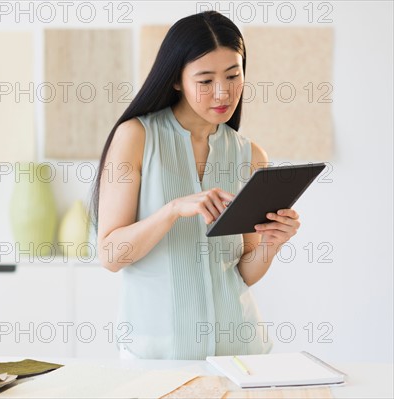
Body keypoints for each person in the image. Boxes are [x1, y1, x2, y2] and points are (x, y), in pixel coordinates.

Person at [90, 11, 301, 360]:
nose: (223, 92)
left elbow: (243, 273)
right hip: (156, 356)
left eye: (234, 75)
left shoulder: (250, 155)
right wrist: (173, 210)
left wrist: (271, 244)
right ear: (176, 80)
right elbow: (111, 256)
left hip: (241, 353)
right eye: (205, 81)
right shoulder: (137, 137)